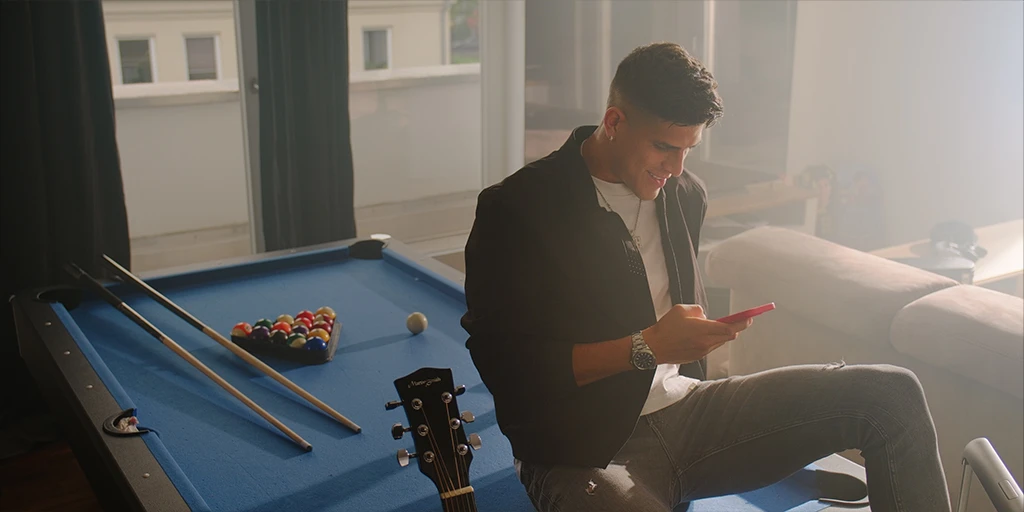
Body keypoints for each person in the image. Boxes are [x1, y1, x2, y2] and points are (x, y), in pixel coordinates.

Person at [461, 42, 951, 512]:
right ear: (614, 121)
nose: (675, 168)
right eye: (663, 147)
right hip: (580, 451)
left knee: (892, 395)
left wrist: (694, 338)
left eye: (688, 150)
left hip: (688, 411)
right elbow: (510, 375)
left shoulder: (684, 193)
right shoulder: (517, 210)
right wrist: (647, 346)